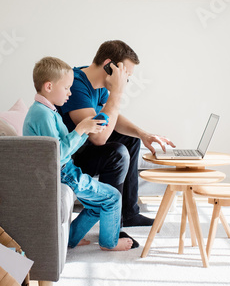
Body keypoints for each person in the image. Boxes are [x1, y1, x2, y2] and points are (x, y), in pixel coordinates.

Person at [57, 40, 175, 227]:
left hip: (84, 148)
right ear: (108, 65)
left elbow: (113, 118)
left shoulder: (100, 85)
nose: (125, 81)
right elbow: (98, 137)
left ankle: (129, 214)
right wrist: (117, 93)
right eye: (124, 74)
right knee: (116, 153)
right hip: (70, 158)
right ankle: (112, 225)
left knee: (130, 139)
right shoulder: (76, 84)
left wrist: (142, 134)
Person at [23, 56, 134, 251]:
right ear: (49, 87)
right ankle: (110, 242)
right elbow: (55, 154)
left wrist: (87, 129)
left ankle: (70, 238)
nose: (70, 92)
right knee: (113, 197)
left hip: (65, 170)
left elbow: (66, 145)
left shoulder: (46, 111)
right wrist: (80, 130)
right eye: (66, 88)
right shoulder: (41, 114)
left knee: (94, 205)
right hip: (63, 173)